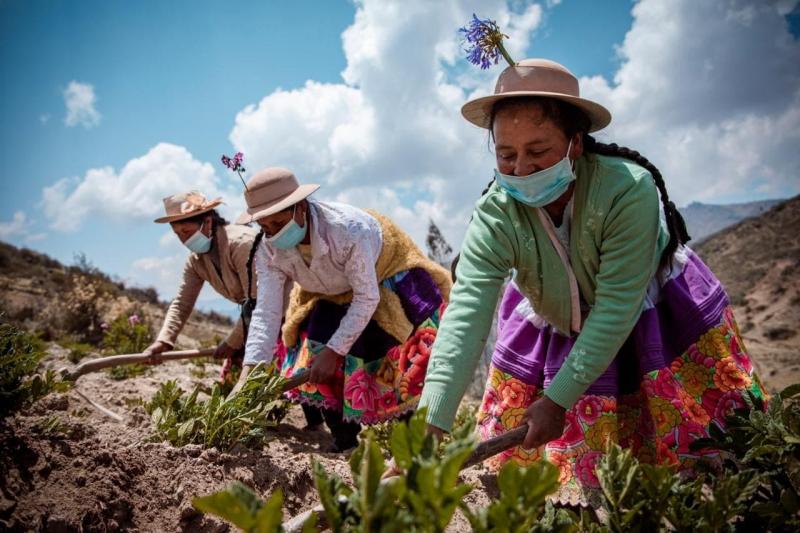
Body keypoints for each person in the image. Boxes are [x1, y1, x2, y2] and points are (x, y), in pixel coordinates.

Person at [418, 59, 766, 505]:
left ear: (575, 144)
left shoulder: (626, 189)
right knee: (568, 479)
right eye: (506, 155)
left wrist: (557, 398)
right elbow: (466, 314)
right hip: (557, 318)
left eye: (538, 151)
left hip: (650, 314)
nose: (520, 169)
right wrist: (429, 427)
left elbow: (617, 306)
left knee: (705, 453)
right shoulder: (496, 212)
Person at [235, 167, 451, 453]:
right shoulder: (268, 250)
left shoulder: (347, 230)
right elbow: (267, 311)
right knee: (315, 354)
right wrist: (249, 373)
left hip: (383, 277)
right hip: (326, 290)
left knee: (394, 359)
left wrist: (335, 350)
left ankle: (413, 444)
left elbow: (365, 297)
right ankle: (344, 440)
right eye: (266, 227)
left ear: (300, 208)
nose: (274, 233)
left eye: (279, 222)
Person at [143, 191, 276, 379]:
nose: (183, 240)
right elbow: (182, 303)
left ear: (207, 222)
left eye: (187, 232)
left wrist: (233, 341)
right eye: (178, 234)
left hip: (282, 316)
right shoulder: (196, 261)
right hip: (254, 322)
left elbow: (258, 300)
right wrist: (164, 341)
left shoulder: (241, 243)